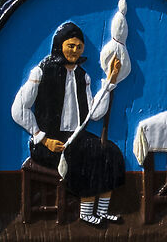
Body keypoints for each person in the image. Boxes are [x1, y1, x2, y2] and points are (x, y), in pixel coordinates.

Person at [11, 19, 128, 225]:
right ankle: (85, 212)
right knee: (89, 156)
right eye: (70, 46)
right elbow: (18, 110)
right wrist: (43, 138)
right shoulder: (41, 72)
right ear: (59, 45)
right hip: (48, 144)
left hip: (76, 138)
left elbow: (95, 114)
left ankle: (101, 211)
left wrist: (110, 81)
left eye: (79, 46)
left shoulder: (84, 77)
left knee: (111, 152)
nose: (75, 50)